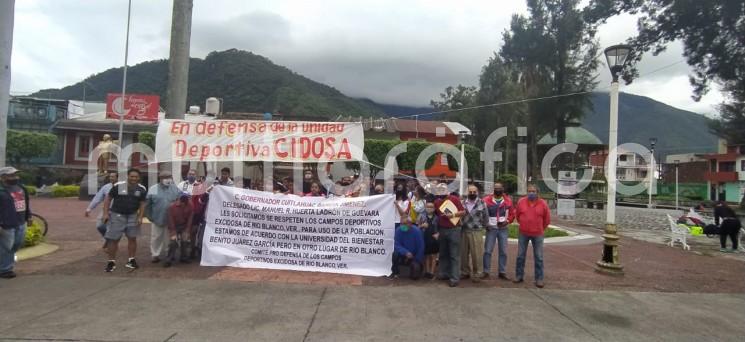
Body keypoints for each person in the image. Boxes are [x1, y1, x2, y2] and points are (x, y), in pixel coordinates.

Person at [102, 168, 148, 272]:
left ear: (139, 178)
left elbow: (142, 203)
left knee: (132, 238)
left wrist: (140, 216)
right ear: (128, 176)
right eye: (132, 176)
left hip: (132, 216)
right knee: (113, 239)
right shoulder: (118, 186)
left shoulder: (141, 189)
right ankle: (111, 262)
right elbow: (108, 199)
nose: (134, 178)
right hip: (117, 215)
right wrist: (105, 213)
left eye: (136, 177)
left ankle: (131, 260)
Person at [514, 184, 550, 288]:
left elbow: (547, 219)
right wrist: (524, 224)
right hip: (523, 233)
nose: (531, 193)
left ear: (537, 193)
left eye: (533, 191)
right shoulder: (521, 202)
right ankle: (519, 276)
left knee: (539, 257)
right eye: (529, 191)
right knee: (520, 255)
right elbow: (517, 216)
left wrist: (540, 228)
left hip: (537, 234)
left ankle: (539, 279)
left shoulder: (543, 203)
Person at [0, 167, 31, 279]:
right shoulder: (1, 191)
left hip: (21, 222)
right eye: (11, 175)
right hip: (6, 224)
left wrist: (29, 216)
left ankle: (6, 266)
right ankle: (5, 270)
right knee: (6, 247)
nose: (15, 177)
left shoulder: (21, 188)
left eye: (16, 175)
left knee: (16, 245)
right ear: (3, 177)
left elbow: (25, 203)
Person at [434, 183, 466, 287]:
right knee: (443, 253)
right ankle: (444, 273)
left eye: (443, 189)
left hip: (454, 229)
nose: (441, 191)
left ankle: (455, 278)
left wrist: (452, 215)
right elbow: (437, 216)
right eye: (439, 189)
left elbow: (463, 212)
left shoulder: (454, 199)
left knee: (454, 255)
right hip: (442, 229)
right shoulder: (437, 202)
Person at [145, 172, 181, 263]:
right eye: (165, 177)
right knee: (156, 237)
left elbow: (179, 201)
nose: (168, 179)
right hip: (157, 218)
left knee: (169, 238)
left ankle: (169, 254)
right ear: (160, 178)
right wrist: (149, 217)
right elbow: (147, 205)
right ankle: (155, 255)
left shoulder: (175, 189)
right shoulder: (153, 189)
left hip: (171, 220)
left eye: (169, 177)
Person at [482, 182, 515, 280]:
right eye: (496, 188)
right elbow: (482, 214)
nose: (498, 190)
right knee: (488, 251)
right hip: (491, 228)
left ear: (503, 189)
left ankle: (502, 271)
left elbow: (512, 214)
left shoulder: (508, 201)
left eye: (499, 188)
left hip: (503, 229)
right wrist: (485, 224)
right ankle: (486, 271)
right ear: (493, 189)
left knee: (503, 251)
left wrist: (507, 221)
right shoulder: (486, 200)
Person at [460, 184, 489, 282]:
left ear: (477, 192)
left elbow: (486, 217)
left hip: (476, 231)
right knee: (463, 253)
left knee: (477, 254)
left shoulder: (482, 203)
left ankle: (477, 273)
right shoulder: (462, 203)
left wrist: (483, 227)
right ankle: (465, 272)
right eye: (470, 192)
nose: (472, 193)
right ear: (467, 192)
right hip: (464, 230)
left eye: (474, 192)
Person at [85, 171, 118, 248]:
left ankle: (110, 243)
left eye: (113, 177)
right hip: (105, 210)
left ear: (117, 178)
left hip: (116, 211)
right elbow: (97, 198)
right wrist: (89, 209)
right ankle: (108, 239)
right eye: (110, 176)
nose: (111, 178)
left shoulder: (122, 188)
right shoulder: (106, 187)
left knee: (112, 228)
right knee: (100, 226)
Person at [164, 193, 194, 267]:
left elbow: (190, 219)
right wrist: (173, 232)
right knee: (173, 242)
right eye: (182, 201)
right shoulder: (171, 207)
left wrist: (187, 230)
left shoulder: (190, 206)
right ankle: (169, 259)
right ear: (179, 200)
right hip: (174, 226)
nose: (184, 203)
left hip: (184, 226)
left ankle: (183, 257)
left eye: (186, 202)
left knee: (185, 241)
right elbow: (170, 220)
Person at [417, 201, 439, 279]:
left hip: (434, 239)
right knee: (426, 256)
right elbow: (417, 227)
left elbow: (439, 228)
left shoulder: (437, 217)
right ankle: (427, 271)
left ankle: (432, 272)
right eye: (428, 207)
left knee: (433, 256)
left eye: (431, 207)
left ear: (434, 209)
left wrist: (438, 234)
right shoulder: (421, 216)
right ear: (425, 208)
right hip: (424, 237)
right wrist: (422, 225)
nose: (429, 208)